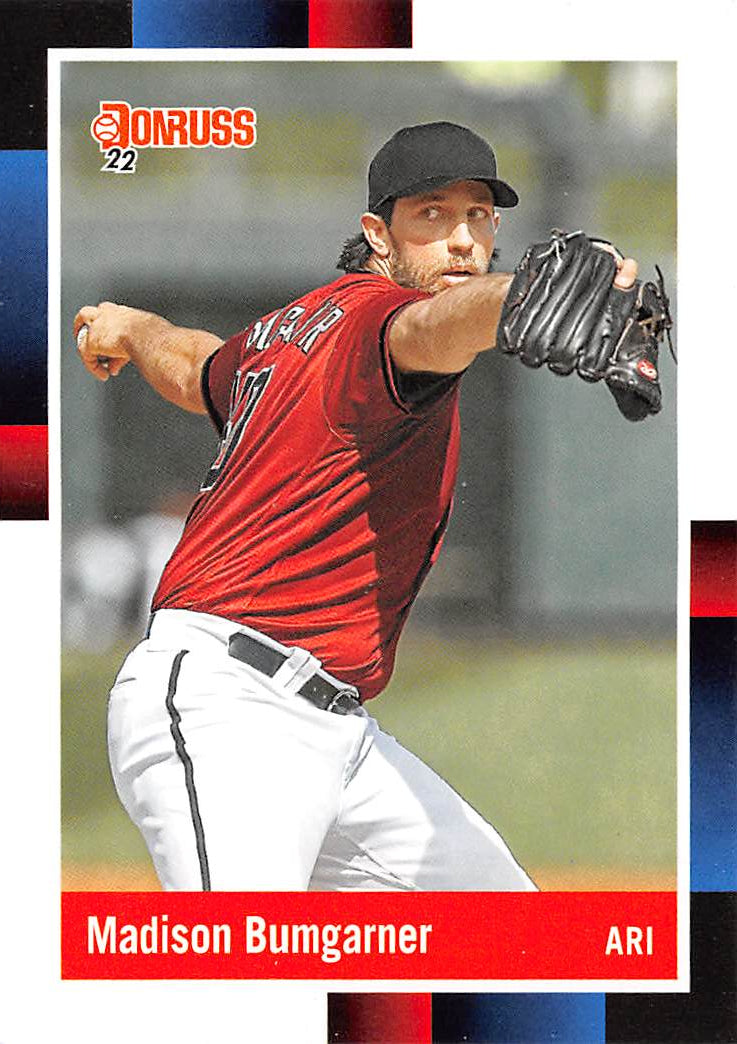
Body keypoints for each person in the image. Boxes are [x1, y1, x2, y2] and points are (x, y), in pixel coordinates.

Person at [74, 122, 638, 892]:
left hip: (339, 734)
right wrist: (519, 296)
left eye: (477, 217)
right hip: (227, 707)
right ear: (377, 234)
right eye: (432, 216)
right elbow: (436, 324)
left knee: (516, 940)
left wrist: (132, 327)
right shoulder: (386, 320)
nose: (462, 240)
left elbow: (196, 365)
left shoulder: (288, 332)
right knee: (237, 959)